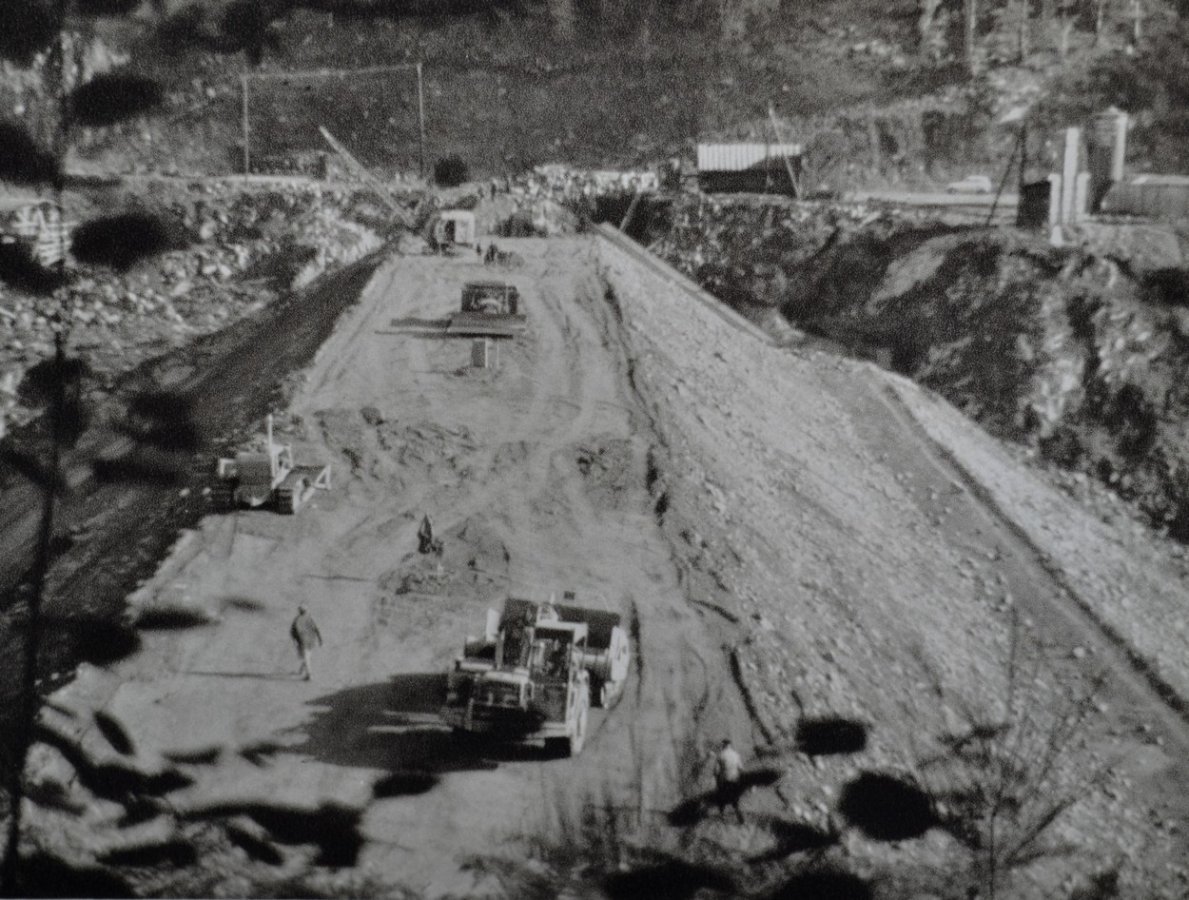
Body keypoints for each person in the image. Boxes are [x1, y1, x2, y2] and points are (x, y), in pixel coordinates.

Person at [712, 738, 745, 823]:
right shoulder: (736, 755)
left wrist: (717, 781)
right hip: (735, 779)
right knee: (735, 798)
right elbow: (741, 768)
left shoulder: (720, 755)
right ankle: (738, 812)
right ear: (730, 745)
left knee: (721, 797)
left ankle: (722, 816)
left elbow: (716, 771)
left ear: (723, 745)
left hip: (724, 780)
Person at [290, 606, 323, 681]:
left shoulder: (297, 620)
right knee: (306, 656)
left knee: (305, 657)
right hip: (311, 641)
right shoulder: (310, 618)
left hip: (303, 642)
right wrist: (320, 639)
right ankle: (301, 671)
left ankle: (309, 675)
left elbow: (292, 632)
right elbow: (316, 629)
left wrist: (295, 641)